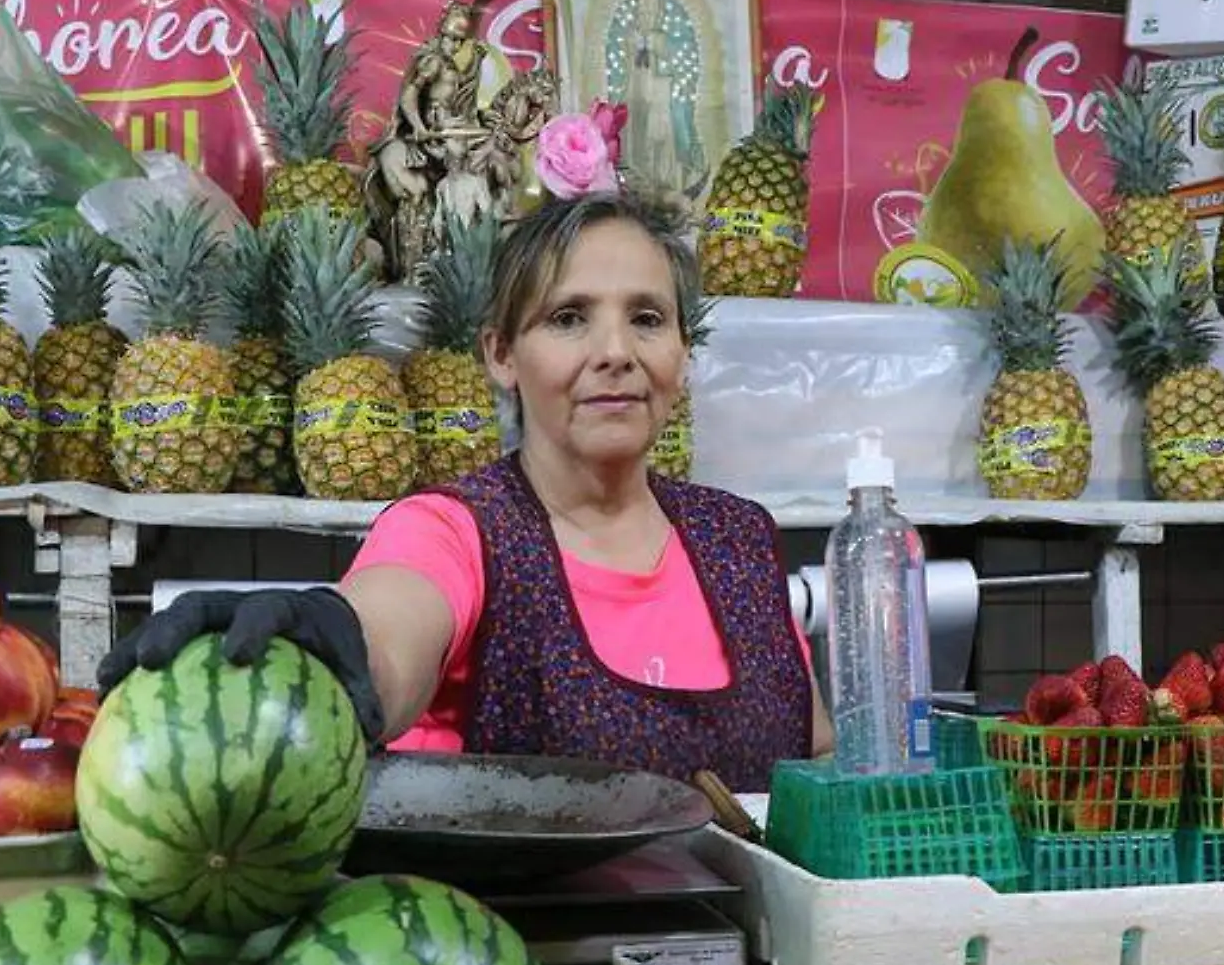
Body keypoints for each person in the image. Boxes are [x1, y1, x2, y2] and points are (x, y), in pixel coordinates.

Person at [98, 191, 833, 792]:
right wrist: (336, 639)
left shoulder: (739, 537)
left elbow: (817, 755)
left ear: (681, 351)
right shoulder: (456, 530)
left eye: (647, 318)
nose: (615, 352)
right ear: (503, 354)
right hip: (516, 957)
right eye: (569, 318)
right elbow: (392, 627)